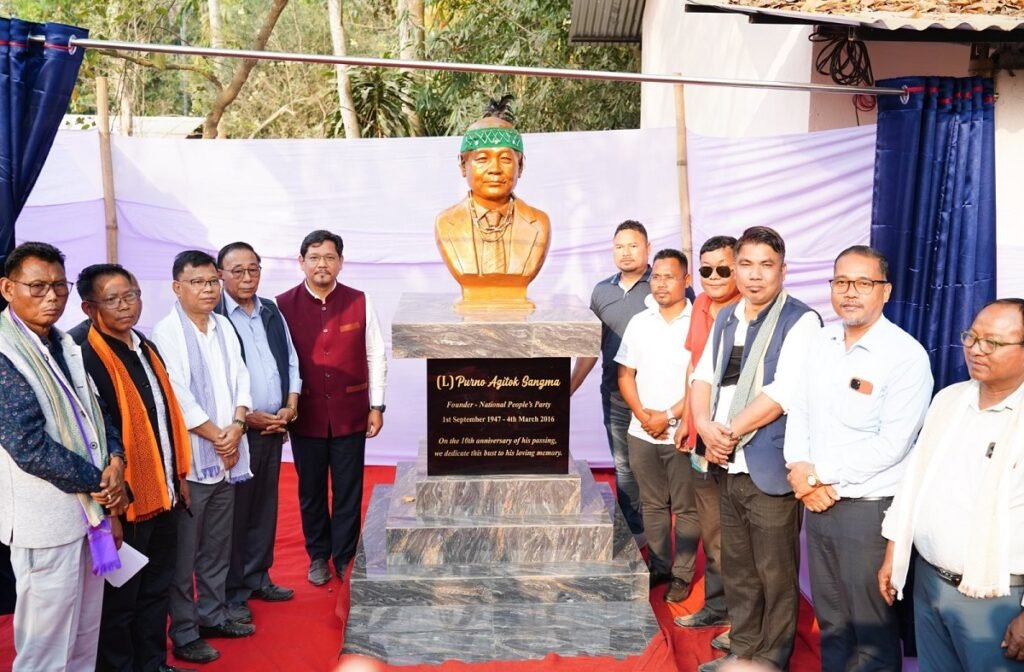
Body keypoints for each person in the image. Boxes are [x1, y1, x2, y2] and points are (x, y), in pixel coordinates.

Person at [784, 246, 932, 672]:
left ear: (885, 291)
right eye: (842, 282)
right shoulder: (822, 342)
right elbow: (800, 410)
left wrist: (817, 476)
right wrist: (799, 470)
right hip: (818, 505)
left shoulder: (906, 356)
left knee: (871, 630)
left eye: (864, 283)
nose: (850, 292)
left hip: (869, 512)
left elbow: (893, 444)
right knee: (832, 623)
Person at [689, 226, 821, 672]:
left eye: (767, 265)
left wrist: (726, 432)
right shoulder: (727, 316)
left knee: (775, 572)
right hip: (725, 460)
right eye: (745, 264)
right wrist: (704, 426)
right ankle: (743, 650)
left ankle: (769, 659)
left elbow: (784, 391)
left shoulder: (801, 320)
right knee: (739, 567)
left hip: (768, 463)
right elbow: (702, 376)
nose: (755, 275)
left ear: (784, 270)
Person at [0, 242, 127, 671]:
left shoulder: (63, 342)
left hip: (89, 515)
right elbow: (28, 445)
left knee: (84, 638)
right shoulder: (4, 351)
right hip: (46, 523)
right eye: (37, 286)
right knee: (46, 649)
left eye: (59, 285)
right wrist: (102, 481)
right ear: (8, 288)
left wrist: (116, 460)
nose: (52, 296)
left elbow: (98, 413)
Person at [879, 299, 1024, 672]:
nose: (976, 349)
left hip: (996, 596)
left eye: (993, 342)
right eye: (971, 336)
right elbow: (914, 480)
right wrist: (894, 554)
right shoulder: (949, 399)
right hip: (929, 582)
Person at [75, 263, 196, 672]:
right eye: (113, 299)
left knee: (156, 590)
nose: (126, 305)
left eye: (131, 295)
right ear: (89, 307)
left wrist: (177, 477)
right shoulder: (82, 355)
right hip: (120, 504)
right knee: (120, 600)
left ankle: (153, 664)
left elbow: (164, 418)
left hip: (162, 492)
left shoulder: (145, 346)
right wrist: (109, 511)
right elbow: (91, 438)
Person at [152, 250, 255, 664]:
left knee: (217, 547)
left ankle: (212, 615)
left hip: (229, 455)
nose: (209, 289)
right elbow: (178, 395)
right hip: (193, 462)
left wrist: (238, 425)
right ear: (177, 287)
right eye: (198, 282)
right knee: (183, 556)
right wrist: (219, 436)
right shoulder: (166, 333)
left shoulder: (223, 326)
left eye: (213, 281)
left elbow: (241, 378)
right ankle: (184, 631)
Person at [276, 230, 387, 586]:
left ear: (340, 262)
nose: (321, 264)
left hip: (351, 411)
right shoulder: (281, 305)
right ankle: (318, 556)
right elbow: (279, 361)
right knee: (310, 490)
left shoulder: (360, 300)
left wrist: (377, 404)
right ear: (301, 262)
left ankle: (345, 556)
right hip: (305, 414)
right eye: (314, 257)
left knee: (348, 490)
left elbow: (376, 354)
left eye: (329, 257)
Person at [216, 242, 300, 621]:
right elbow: (216, 382)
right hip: (238, 431)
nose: (247, 278)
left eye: (254, 269)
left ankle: (258, 577)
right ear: (221, 274)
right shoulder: (215, 316)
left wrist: (291, 406)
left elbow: (291, 360)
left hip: (274, 426)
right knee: (236, 513)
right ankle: (232, 591)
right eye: (238, 271)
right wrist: (247, 418)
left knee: (265, 506)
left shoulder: (270, 309)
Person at [615, 248, 700, 603]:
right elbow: (625, 374)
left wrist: (668, 416)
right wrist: (642, 414)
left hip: (681, 430)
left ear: (686, 280)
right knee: (652, 504)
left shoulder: (699, 322)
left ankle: (682, 574)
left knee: (686, 508)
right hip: (641, 430)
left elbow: (700, 382)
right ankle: (661, 566)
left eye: (670, 277)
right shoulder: (640, 322)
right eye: (657, 277)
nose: (661, 284)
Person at [569, 220, 652, 543]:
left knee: (657, 467)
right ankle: (635, 533)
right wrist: (569, 389)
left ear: (648, 248)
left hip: (656, 397)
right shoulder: (602, 291)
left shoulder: (664, 284)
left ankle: (659, 533)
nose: (626, 252)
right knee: (624, 466)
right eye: (619, 246)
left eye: (633, 245)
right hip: (615, 394)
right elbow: (591, 346)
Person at [674, 235, 740, 638]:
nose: (713, 277)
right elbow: (693, 366)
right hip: (701, 434)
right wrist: (688, 418)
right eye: (705, 269)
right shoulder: (699, 304)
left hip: (737, 438)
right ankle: (717, 606)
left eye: (723, 269)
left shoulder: (749, 311)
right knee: (712, 526)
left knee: (740, 535)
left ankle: (746, 619)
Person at [434, 95, 550, 307]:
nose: (495, 169)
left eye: (505, 159)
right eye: (482, 159)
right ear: (463, 166)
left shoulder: (539, 224)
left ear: (520, 166)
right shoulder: (446, 223)